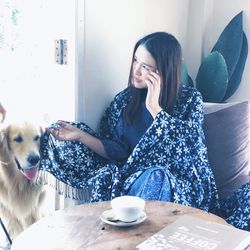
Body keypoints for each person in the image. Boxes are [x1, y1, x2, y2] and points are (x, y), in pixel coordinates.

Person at [39, 32, 249, 231]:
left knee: (157, 176)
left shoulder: (189, 100)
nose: (136, 70)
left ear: (164, 71)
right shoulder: (124, 100)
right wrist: (80, 136)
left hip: (183, 188)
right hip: (132, 182)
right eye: (135, 60)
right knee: (78, 150)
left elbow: (189, 149)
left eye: (146, 66)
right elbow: (117, 151)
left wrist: (155, 109)